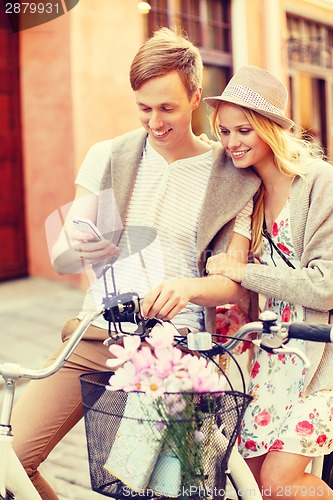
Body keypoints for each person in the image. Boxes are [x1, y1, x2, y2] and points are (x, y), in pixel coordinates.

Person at [11, 29, 260, 499]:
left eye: (166, 107)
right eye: (143, 107)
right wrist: (77, 243)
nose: (154, 121)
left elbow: (233, 284)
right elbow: (67, 250)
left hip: (177, 350)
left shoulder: (229, 175)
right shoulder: (109, 155)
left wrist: (187, 288)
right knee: (8, 460)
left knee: (154, 486)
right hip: (98, 332)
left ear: (194, 97)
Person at [205, 65, 333, 498]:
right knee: (253, 485)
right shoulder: (247, 194)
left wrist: (244, 271)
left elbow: (324, 285)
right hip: (270, 358)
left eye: (244, 130)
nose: (232, 142)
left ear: (270, 129)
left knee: (280, 483)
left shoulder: (319, 184)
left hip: (321, 358)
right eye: (224, 131)